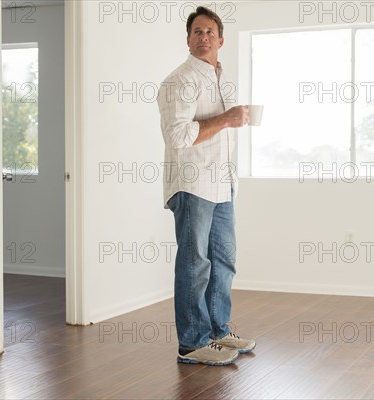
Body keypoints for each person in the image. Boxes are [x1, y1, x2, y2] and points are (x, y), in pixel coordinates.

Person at [157, 6, 256, 366]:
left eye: (209, 32)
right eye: (197, 32)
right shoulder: (178, 81)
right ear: (188, 39)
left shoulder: (223, 79)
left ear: (221, 40)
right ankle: (192, 343)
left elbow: (221, 131)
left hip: (223, 182)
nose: (203, 38)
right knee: (195, 263)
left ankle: (217, 332)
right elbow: (178, 136)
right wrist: (227, 118)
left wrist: (233, 121)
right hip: (193, 182)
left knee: (224, 260)